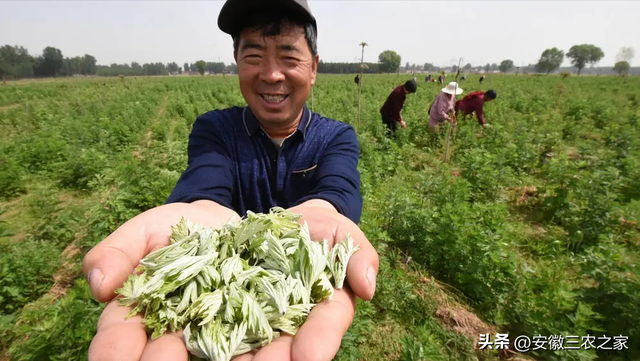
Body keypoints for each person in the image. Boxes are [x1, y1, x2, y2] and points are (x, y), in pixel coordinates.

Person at [82, 1, 380, 361]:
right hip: (222, 305)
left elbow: (337, 191)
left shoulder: (335, 137)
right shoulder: (216, 129)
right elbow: (204, 188)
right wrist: (198, 216)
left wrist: (323, 215)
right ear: (237, 63)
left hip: (287, 304)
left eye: (288, 57)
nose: (271, 75)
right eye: (254, 56)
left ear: (313, 68)